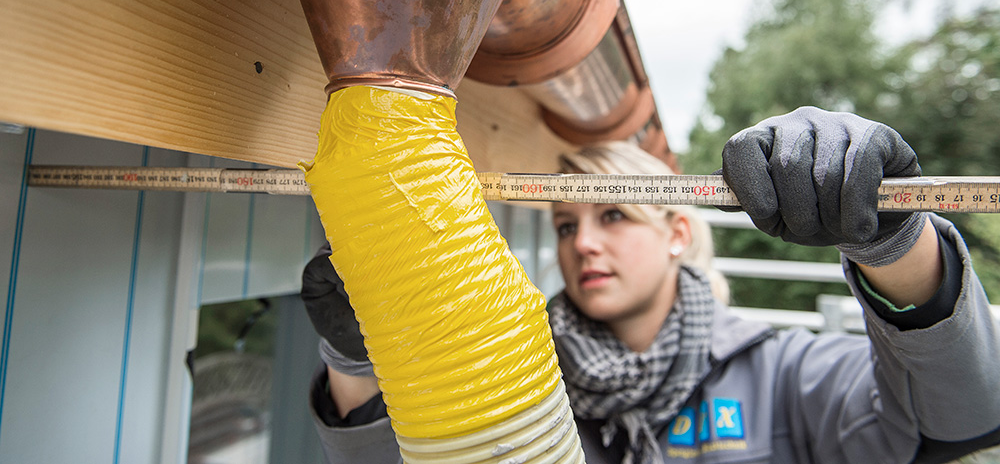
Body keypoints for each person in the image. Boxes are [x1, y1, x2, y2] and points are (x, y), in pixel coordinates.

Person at [301, 106, 1000, 463]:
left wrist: (894, 241)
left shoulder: (781, 371)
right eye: (567, 226)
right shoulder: (518, 380)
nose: (585, 244)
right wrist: (356, 363)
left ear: (674, 232)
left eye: (612, 215)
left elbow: (957, 419)